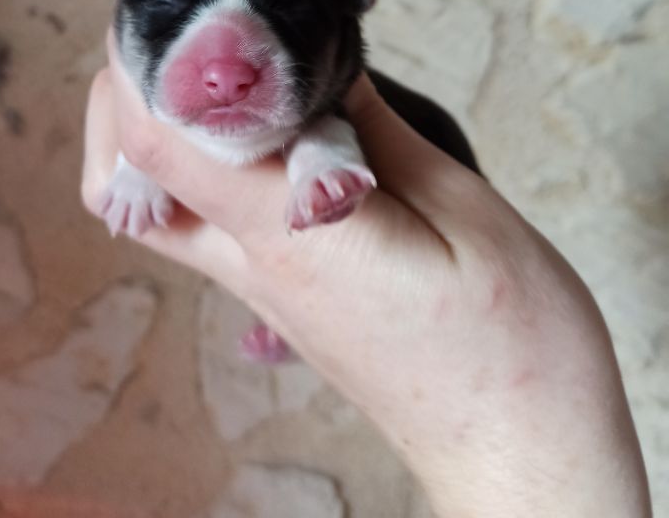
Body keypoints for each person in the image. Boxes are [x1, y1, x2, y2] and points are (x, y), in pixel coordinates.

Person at [81, 30, 652, 518]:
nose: (227, 73)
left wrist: (493, 420)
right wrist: (138, 168)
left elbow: (327, 131)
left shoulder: (332, 101)